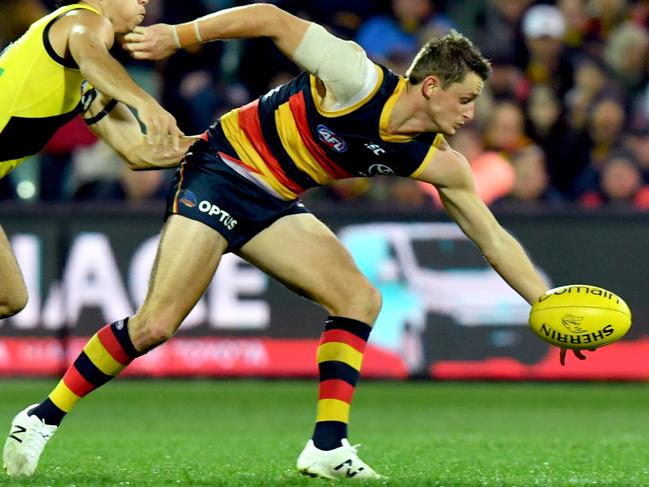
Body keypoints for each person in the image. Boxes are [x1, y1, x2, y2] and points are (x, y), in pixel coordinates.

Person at [3, 3, 589, 480]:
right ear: (430, 85)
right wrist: (177, 37)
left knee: (359, 300)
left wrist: (543, 300)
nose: (469, 114)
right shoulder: (356, 78)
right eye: (464, 99)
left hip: (275, 201)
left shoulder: (440, 163)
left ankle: (327, 447)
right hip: (221, 168)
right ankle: (41, 416)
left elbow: (492, 238)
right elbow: (271, 17)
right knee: (156, 326)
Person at [0, 0, 189, 320]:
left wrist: (222, 142)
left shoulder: (83, 77)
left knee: (9, 297)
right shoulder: (83, 19)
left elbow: (139, 152)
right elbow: (93, 58)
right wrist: (145, 103)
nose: (144, 0)